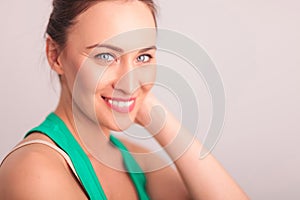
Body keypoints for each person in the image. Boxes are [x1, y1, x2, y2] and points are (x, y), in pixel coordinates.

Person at [0, 0, 249, 199]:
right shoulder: (33, 171)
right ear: (55, 55)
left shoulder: (138, 162)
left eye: (143, 58)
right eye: (106, 56)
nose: (130, 83)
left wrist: (161, 122)